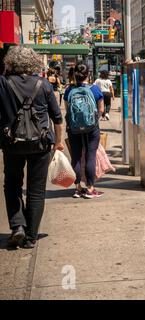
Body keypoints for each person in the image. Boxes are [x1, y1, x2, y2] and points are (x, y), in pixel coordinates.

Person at [0, 46, 64, 248]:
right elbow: (57, 118)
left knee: (12, 185)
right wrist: (59, 143)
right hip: (41, 143)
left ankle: (17, 226)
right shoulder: (43, 84)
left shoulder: (4, 83)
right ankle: (31, 237)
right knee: (36, 190)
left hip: (13, 144)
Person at [64, 63, 105, 199]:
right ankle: (90, 189)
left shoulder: (69, 90)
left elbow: (68, 110)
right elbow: (101, 109)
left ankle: (77, 188)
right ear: (88, 74)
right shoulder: (94, 89)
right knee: (90, 155)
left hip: (74, 128)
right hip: (91, 127)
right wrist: (94, 120)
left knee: (75, 157)